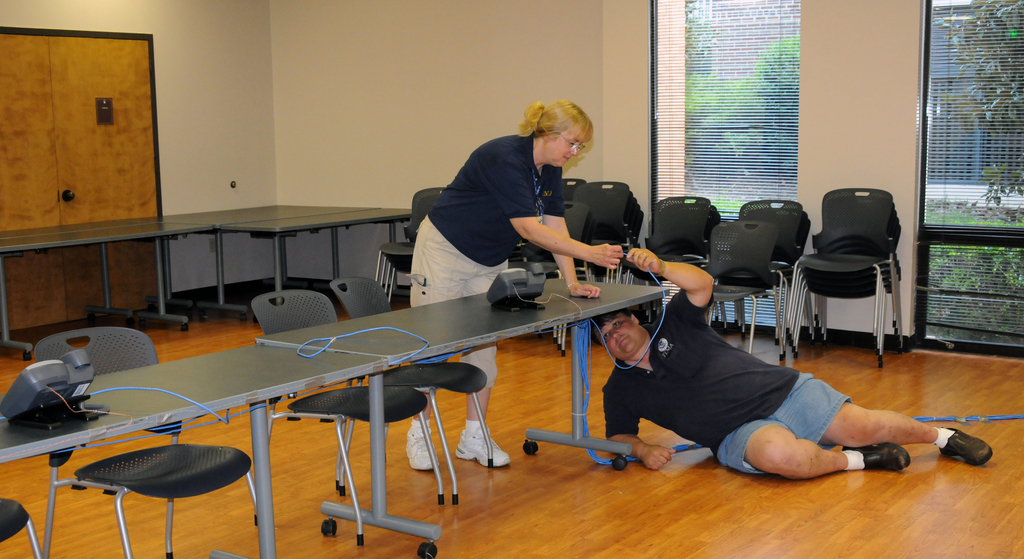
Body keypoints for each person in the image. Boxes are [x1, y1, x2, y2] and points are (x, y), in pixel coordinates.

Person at [595, 248, 993, 477]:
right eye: (607, 334)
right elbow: (617, 437)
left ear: (635, 319)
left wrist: (661, 267)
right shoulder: (620, 388)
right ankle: (861, 459)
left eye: (619, 322)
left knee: (865, 425)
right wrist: (642, 450)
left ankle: (943, 437)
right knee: (783, 459)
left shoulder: (675, 321)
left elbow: (702, 284)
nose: (616, 334)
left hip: (782, 392)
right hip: (738, 433)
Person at [407, 100, 623, 470]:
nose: (574, 153)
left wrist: (572, 281)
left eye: (579, 147)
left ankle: (473, 436)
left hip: (489, 259)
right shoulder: (502, 157)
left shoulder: (549, 166)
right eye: (571, 144)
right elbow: (528, 228)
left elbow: (555, 224)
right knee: (434, 346)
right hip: (445, 250)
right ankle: (419, 431)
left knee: (484, 347)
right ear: (547, 134)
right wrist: (590, 252)